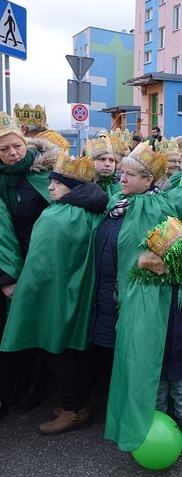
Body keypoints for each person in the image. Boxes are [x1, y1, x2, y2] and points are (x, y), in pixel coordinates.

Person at [0, 153, 107, 434]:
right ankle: (80, 403)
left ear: (71, 186)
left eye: (57, 183)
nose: (49, 188)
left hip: (54, 297)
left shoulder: (57, 215)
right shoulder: (93, 210)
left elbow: (40, 266)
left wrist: (24, 294)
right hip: (80, 296)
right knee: (74, 350)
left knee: (54, 349)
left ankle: (75, 411)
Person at [91, 144, 175, 451]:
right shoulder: (117, 200)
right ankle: (119, 414)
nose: (122, 178)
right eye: (121, 172)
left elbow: (172, 257)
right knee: (117, 357)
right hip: (111, 291)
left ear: (148, 179)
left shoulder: (159, 207)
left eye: (129, 174)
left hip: (141, 296)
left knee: (137, 357)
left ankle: (142, 419)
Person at [129, 216, 182, 455]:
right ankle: (159, 425)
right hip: (157, 355)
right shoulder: (152, 285)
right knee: (158, 394)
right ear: (169, 254)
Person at [0, 111, 61, 414]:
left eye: (17, 147)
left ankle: (37, 384)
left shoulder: (43, 173)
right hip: (8, 262)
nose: (12, 154)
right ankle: (14, 383)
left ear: (26, 143)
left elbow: (71, 203)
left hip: (42, 263)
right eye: (4, 149)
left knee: (39, 322)